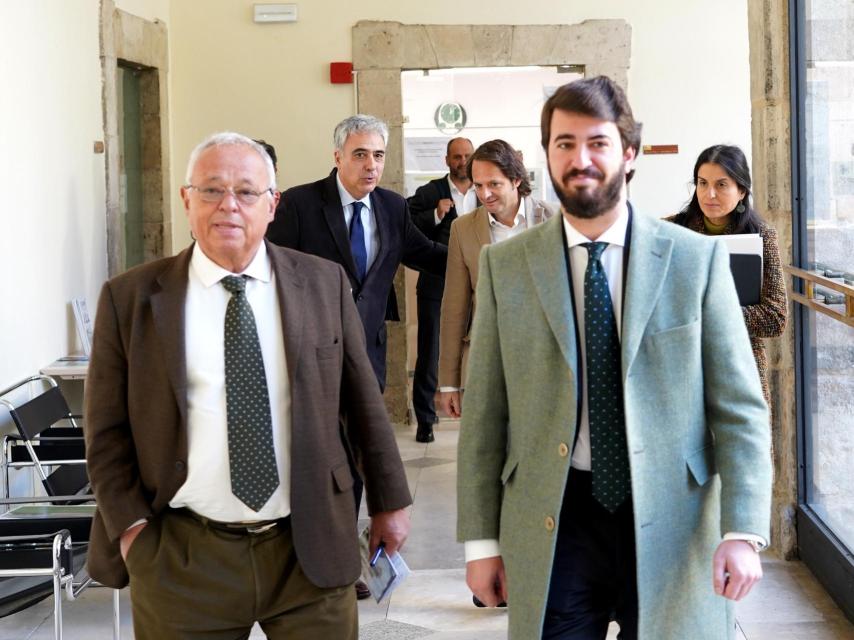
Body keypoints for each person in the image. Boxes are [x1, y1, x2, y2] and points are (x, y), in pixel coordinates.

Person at [457, 77, 772, 639]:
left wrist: (743, 530)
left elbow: (739, 408)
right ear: (548, 156)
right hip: (556, 513)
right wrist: (482, 543)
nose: (581, 158)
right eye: (564, 143)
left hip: (673, 514)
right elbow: (485, 415)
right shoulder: (505, 268)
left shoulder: (693, 261)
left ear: (629, 152)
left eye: (597, 142)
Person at [84, 132, 412, 639]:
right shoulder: (129, 300)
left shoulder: (322, 283)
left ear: (273, 204)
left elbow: (361, 400)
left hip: (310, 548)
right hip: (184, 556)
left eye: (246, 191)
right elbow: (105, 431)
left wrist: (390, 502)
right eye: (211, 190)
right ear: (186, 199)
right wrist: (133, 533)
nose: (228, 206)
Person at [266, 114, 447, 391]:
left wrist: (485, 259)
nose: (371, 165)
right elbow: (272, 274)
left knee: (366, 432)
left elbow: (428, 255)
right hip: (313, 354)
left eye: (378, 155)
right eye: (360, 154)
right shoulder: (300, 204)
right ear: (338, 157)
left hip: (369, 353)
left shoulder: (393, 207)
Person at [437, 139, 554, 423]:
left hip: (547, 362)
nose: (484, 194)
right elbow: (455, 308)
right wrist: (449, 382)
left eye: (494, 184)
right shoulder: (463, 229)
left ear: (516, 180)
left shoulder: (556, 220)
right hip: (489, 363)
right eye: (478, 185)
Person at [666, 144, 787, 405]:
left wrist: (713, 312)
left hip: (741, 368)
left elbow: (776, 318)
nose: (709, 194)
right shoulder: (671, 231)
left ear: (741, 190)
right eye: (702, 183)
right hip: (683, 367)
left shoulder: (762, 235)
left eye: (722, 185)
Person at [407, 137, 477, 442]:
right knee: (430, 351)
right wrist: (435, 214)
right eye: (457, 157)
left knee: (480, 349)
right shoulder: (430, 191)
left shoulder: (484, 188)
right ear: (447, 160)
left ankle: (478, 415)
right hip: (437, 284)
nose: (462, 161)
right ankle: (425, 420)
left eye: (467, 156)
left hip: (478, 285)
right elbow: (405, 224)